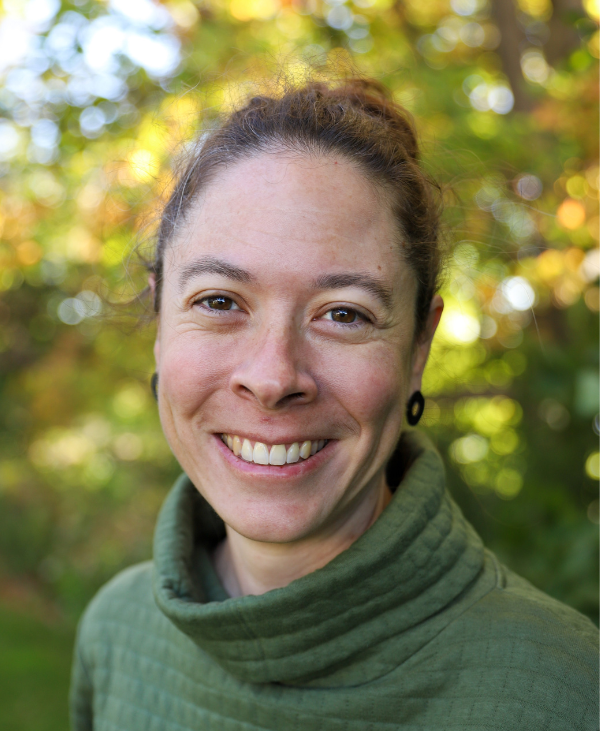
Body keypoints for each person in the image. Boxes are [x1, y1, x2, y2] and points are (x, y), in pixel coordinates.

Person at [70, 78, 598, 731]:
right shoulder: (115, 634)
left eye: (344, 314)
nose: (273, 377)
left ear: (417, 347)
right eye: (218, 301)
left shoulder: (563, 692)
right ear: (158, 318)